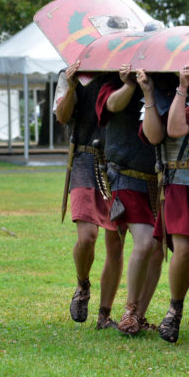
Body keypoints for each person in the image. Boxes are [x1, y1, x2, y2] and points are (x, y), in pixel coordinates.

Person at [137, 63, 189, 344]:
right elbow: (165, 132)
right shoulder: (162, 94)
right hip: (179, 181)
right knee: (184, 250)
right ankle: (175, 309)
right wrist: (177, 89)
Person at [55, 61, 126, 329]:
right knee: (87, 237)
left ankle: (104, 315)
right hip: (85, 158)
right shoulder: (70, 73)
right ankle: (83, 285)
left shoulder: (123, 72)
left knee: (115, 243)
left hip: (119, 161)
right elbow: (62, 116)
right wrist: (72, 86)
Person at [97, 64, 163, 335]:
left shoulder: (163, 83)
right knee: (140, 243)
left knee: (157, 249)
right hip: (124, 175)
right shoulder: (112, 82)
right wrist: (130, 84)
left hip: (157, 180)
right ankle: (126, 311)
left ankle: (138, 315)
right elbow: (112, 105)